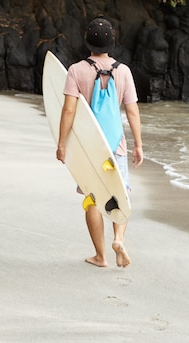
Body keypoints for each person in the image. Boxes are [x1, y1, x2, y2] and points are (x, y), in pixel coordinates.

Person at [56, 17, 143, 268]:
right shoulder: (124, 71)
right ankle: (118, 239)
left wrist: (62, 143)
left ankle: (101, 256)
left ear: (87, 42)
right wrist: (138, 144)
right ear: (112, 42)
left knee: (93, 197)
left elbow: (69, 112)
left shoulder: (76, 70)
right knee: (120, 192)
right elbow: (132, 111)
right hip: (115, 143)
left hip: (88, 146)